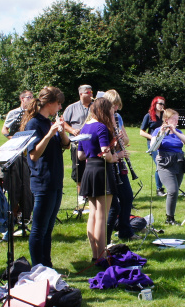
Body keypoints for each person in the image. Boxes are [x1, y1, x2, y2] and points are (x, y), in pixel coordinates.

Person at [25, 87, 70, 270]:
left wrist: (61, 131)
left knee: (48, 228)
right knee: (38, 229)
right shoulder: (34, 124)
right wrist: (50, 134)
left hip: (55, 179)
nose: (60, 107)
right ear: (50, 103)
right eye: (58, 103)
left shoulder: (49, 122)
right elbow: (34, 155)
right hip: (42, 180)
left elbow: (66, 145)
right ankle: (37, 267)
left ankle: (47, 264)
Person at [78, 98, 123, 264]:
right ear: (104, 110)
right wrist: (116, 156)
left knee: (93, 215)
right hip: (102, 171)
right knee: (102, 217)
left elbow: (80, 155)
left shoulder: (86, 126)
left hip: (89, 171)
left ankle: (95, 255)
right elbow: (105, 153)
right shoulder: (101, 127)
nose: (113, 113)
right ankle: (102, 257)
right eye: (111, 110)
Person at [103, 90, 136, 244]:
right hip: (108, 162)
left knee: (127, 196)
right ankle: (107, 238)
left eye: (117, 105)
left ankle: (125, 230)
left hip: (119, 160)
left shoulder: (118, 117)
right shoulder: (101, 119)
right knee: (112, 205)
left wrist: (122, 137)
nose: (116, 108)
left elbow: (127, 139)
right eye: (113, 105)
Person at [153, 108, 185, 225]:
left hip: (178, 161)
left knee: (174, 192)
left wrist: (174, 131)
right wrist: (163, 133)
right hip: (165, 163)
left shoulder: (178, 131)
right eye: (174, 119)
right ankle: (169, 218)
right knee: (173, 190)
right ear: (166, 120)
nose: (176, 121)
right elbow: (154, 146)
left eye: (177, 119)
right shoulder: (157, 131)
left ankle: (171, 216)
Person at [63, 84, 94, 203]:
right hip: (78, 142)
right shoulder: (72, 108)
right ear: (81, 94)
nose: (91, 94)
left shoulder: (95, 106)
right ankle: (81, 194)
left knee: (92, 167)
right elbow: (64, 123)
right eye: (88, 92)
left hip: (92, 142)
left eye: (91, 92)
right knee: (78, 168)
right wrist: (72, 130)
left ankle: (91, 193)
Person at [139, 96, 167, 196]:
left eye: (163, 104)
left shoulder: (165, 116)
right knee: (159, 164)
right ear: (154, 104)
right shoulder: (149, 116)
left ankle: (167, 186)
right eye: (160, 104)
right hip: (153, 143)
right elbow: (141, 132)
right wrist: (153, 137)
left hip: (163, 143)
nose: (162, 106)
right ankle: (159, 189)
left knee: (164, 163)